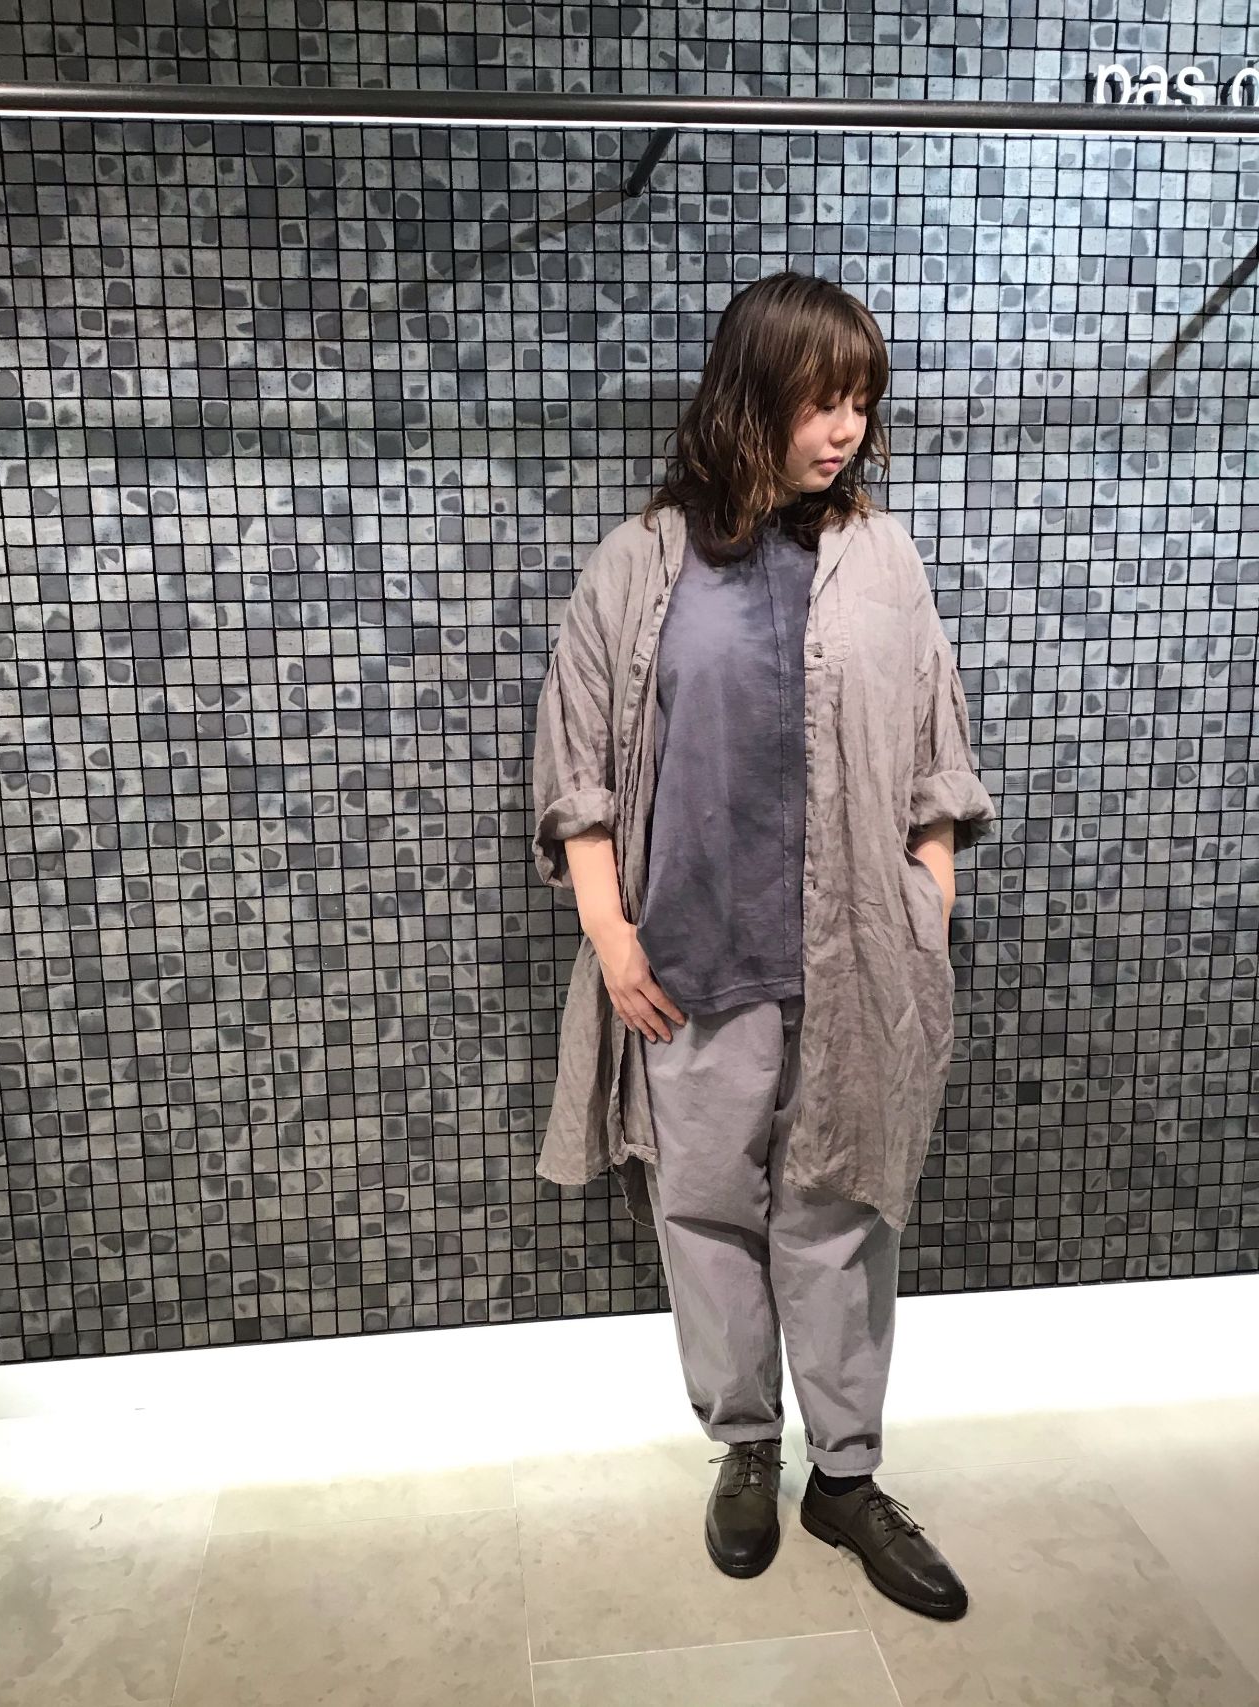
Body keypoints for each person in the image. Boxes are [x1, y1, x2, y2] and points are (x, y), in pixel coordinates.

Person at [530, 268, 997, 1621]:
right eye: (821, 399)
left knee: (840, 1218)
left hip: (857, 969)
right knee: (705, 1213)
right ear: (753, 396)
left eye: (862, 402)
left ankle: (845, 1477)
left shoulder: (882, 557)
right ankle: (746, 1443)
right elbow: (577, 765)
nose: (846, 429)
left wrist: (929, 889)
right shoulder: (644, 561)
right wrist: (611, 931)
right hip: (690, 965)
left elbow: (937, 741)